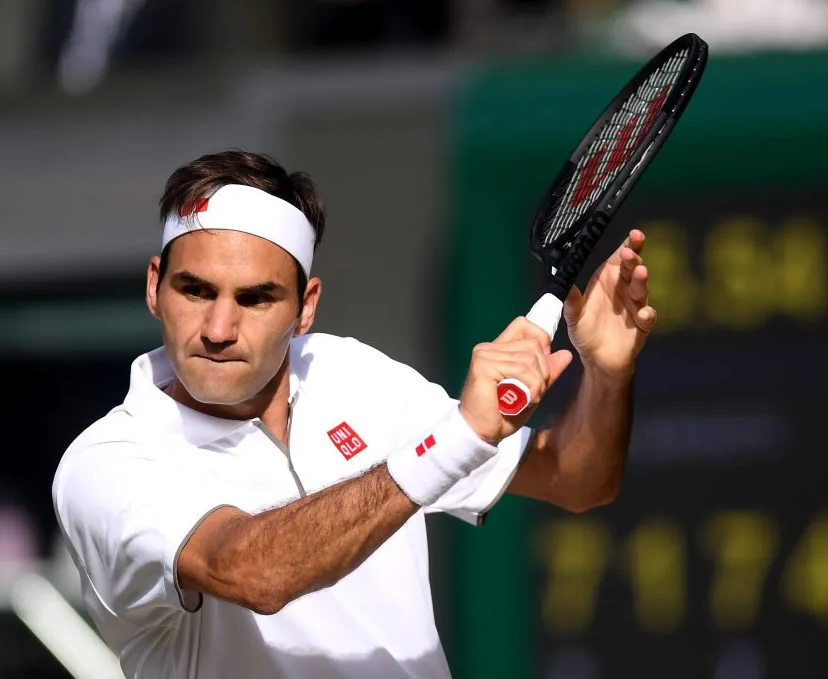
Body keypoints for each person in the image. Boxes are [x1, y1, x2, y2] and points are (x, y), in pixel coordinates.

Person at [52, 149, 656, 679]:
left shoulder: (356, 374)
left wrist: (607, 374)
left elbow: (578, 481)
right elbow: (251, 570)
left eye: (256, 298)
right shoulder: (104, 464)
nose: (217, 328)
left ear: (305, 306)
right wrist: (459, 438)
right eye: (196, 290)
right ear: (155, 286)